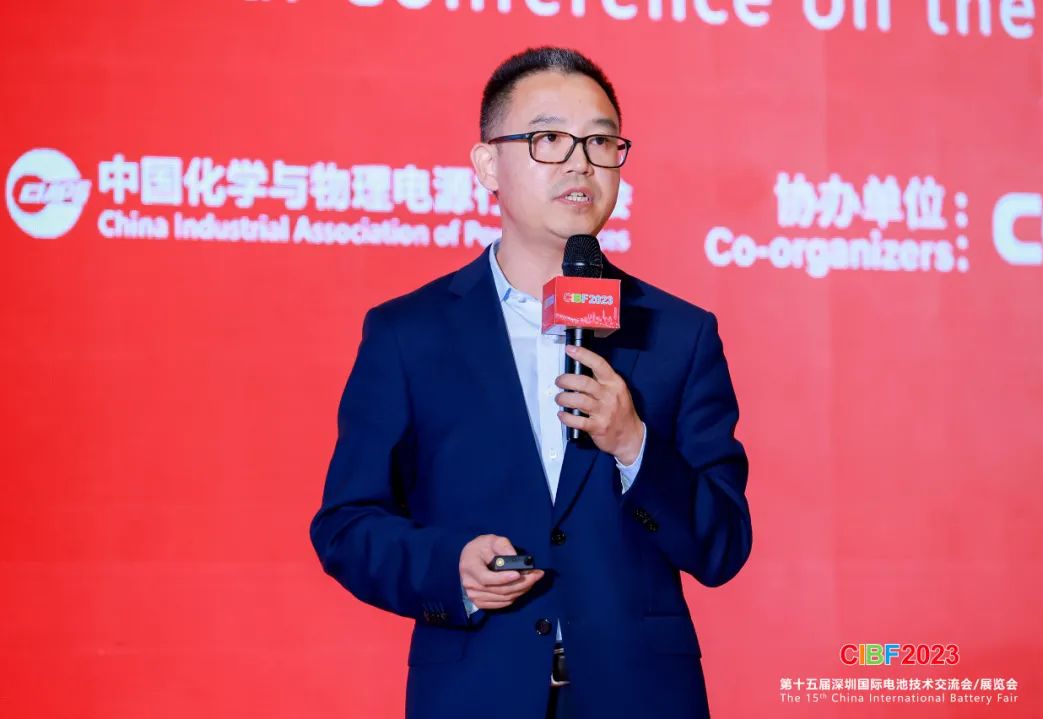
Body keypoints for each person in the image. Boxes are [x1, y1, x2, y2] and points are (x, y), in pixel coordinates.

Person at [310, 46, 752, 719]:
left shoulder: (678, 334)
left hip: (641, 698)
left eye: (601, 141)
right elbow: (347, 525)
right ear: (488, 164)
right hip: (474, 696)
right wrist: (449, 567)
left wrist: (634, 445)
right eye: (549, 139)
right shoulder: (410, 333)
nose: (580, 163)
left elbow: (723, 543)